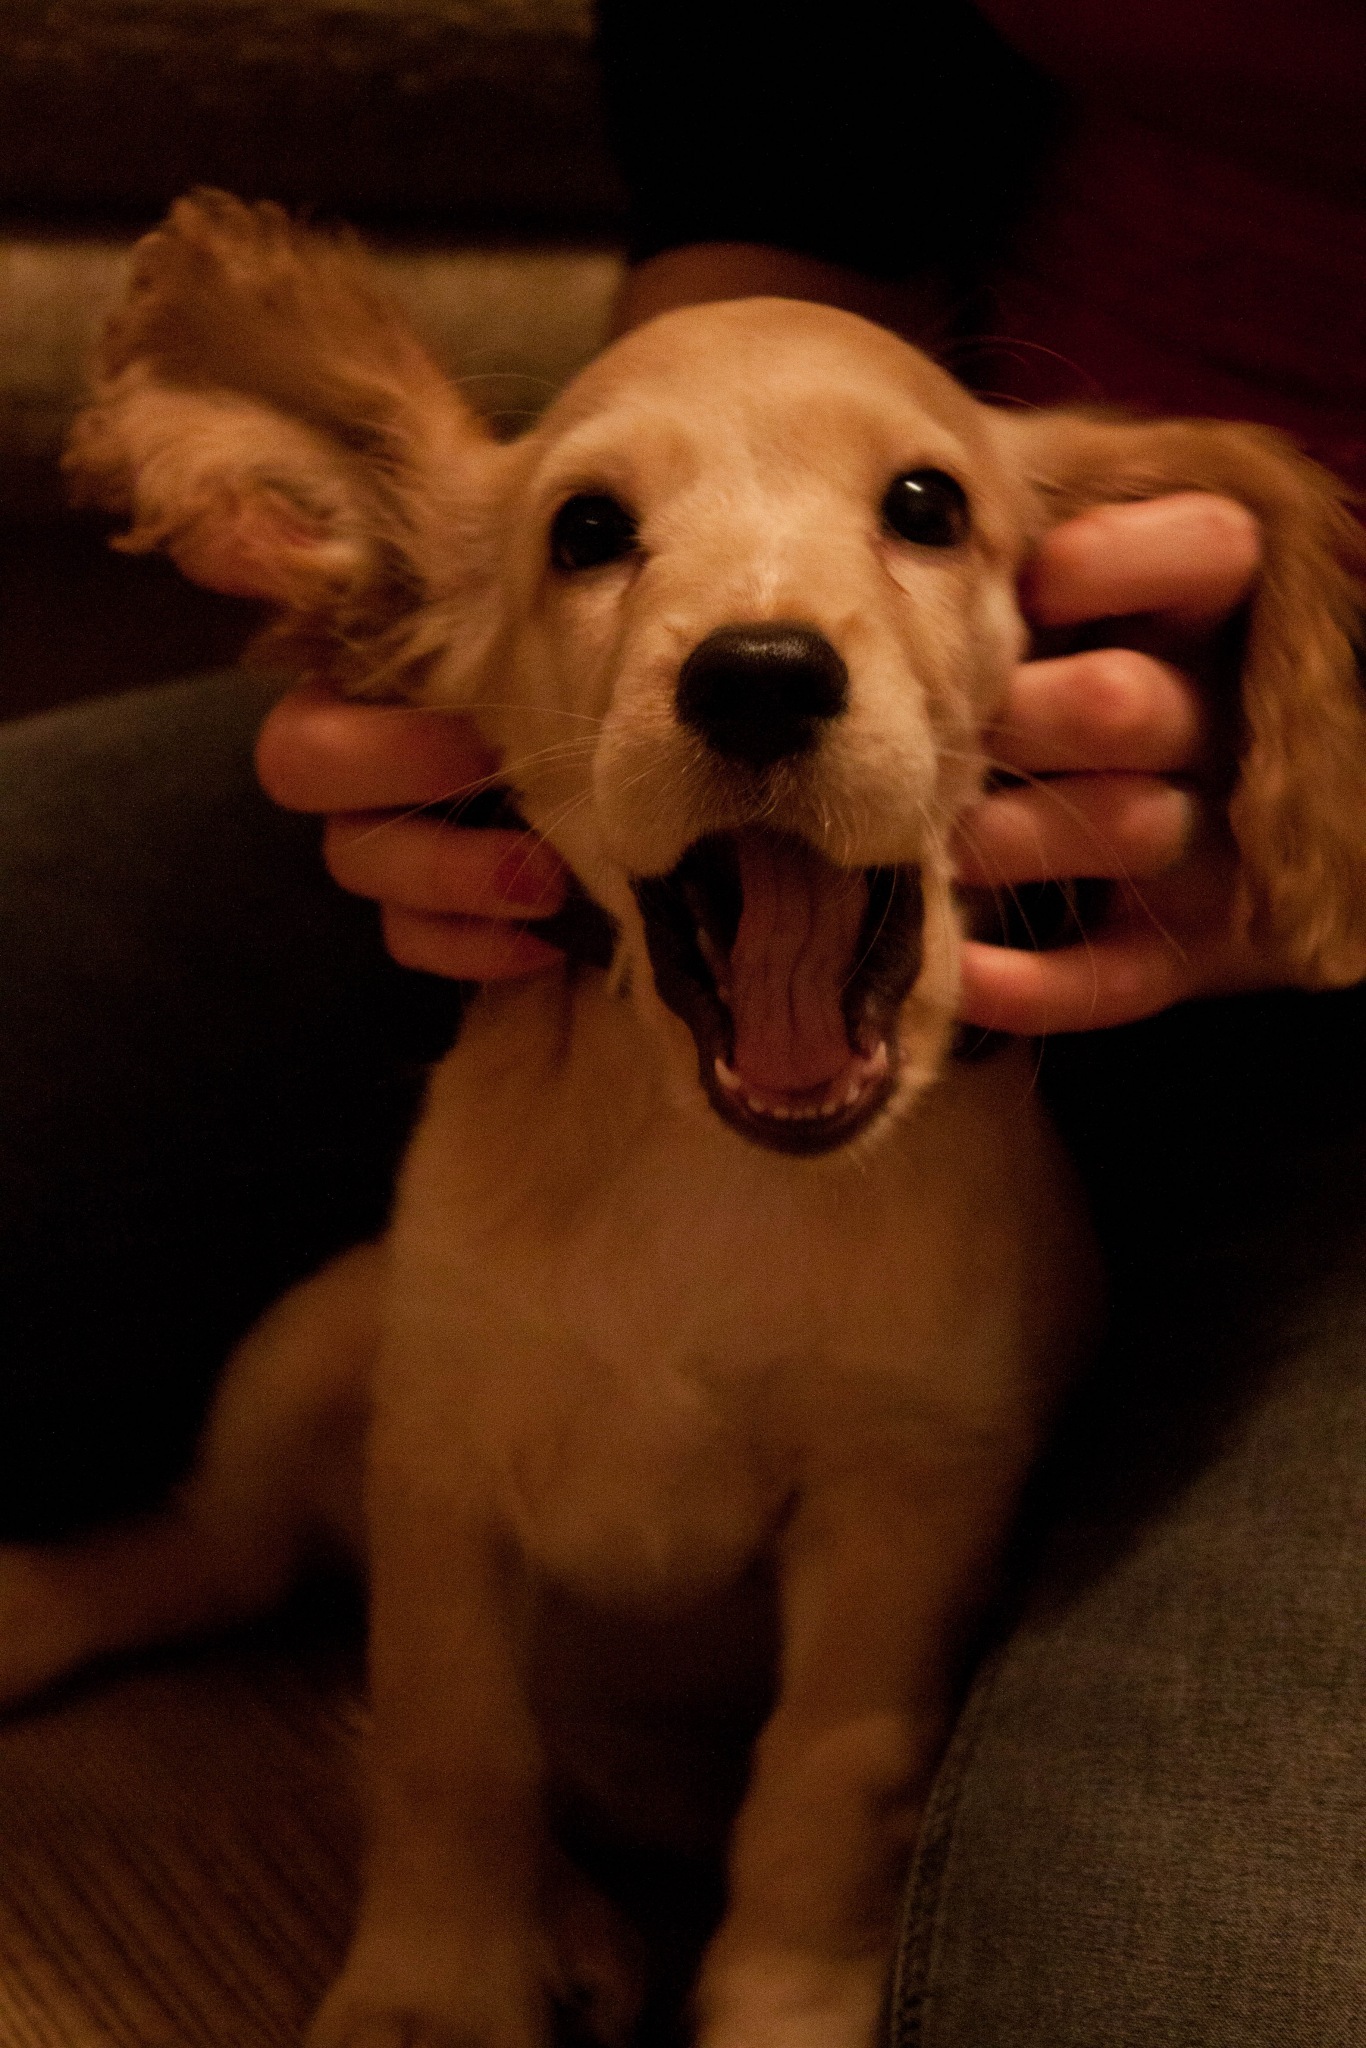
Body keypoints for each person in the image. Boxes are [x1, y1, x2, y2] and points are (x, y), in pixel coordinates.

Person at [1, 3, 1362, 2041]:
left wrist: (1305, 732)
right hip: (696, 857)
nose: (760, 635)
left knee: (1162, 1982)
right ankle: (171, 1575)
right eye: (585, 532)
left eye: (919, 508)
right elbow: (776, 141)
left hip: (1268, 966)